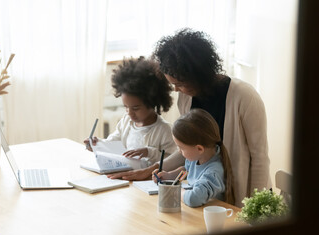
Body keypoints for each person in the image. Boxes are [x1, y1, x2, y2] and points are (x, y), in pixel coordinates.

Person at [108, 29, 272, 207]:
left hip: (243, 196)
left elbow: (260, 158)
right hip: (208, 196)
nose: (176, 90)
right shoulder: (186, 99)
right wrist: (152, 169)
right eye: (173, 84)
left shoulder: (244, 97)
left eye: (179, 84)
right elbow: (187, 150)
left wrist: (256, 207)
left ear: (198, 74)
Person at [84, 56, 176, 167]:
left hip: (148, 180)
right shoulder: (126, 122)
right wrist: (97, 144)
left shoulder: (164, 130)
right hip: (126, 174)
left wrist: (149, 152)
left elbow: (171, 160)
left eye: (135, 108)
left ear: (153, 102)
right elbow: (113, 143)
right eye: (126, 107)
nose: (129, 113)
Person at [152, 109, 235, 207]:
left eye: (181, 147)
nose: (179, 151)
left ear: (199, 149)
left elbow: (193, 199)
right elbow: (186, 170)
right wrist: (169, 176)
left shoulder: (213, 172)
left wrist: (174, 190)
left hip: (207, 217)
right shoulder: (197, 157)